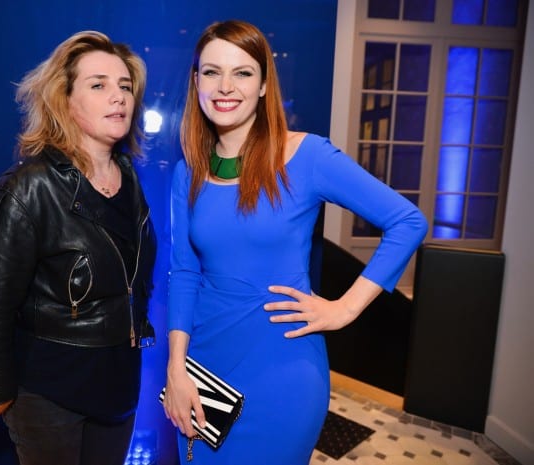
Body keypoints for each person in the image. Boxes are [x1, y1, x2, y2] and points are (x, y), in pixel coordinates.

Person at [161, 20, 428, 464]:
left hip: (282, 370)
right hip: (202, 366)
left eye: (243, 73)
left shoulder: (307, 156)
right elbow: (184, 272)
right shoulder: (187, 171)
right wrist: (176, 368)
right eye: (211, 72)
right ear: (196, 81)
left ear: (265, 84)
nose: (225, 86)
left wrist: (345, 309)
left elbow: (407, 221)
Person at [0, 31, 157, 465]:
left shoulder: (129, 179)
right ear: (63, 101)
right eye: (98, 85)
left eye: (125, 86)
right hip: (48, 393)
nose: (118, 96)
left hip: (118, 385)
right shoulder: (26, 188)